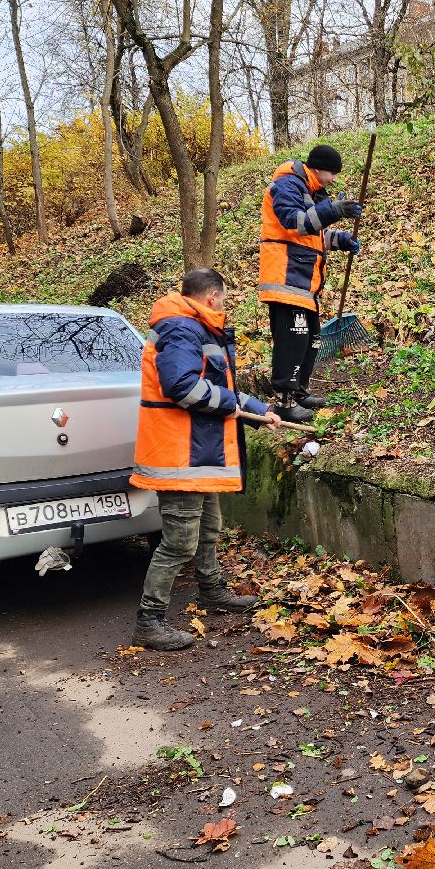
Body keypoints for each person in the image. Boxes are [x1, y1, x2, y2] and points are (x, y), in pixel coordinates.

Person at [129, 268, 283, 651]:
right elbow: (181, 386)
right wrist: (232, 405)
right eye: (224, 297)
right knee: (179, 543)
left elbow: (216, 387)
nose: (225, 304)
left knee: (210, 527)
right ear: (212, 296)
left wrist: (260, 411)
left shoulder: (196, 327)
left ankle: (212, 591)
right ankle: (149, 621)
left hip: (199, 452)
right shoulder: (182, 329)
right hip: (179, 454)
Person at [258, 143, 362, 423]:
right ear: (318, 168)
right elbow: (295, 223)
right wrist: (334, 210)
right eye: (333, 173)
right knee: (293, 342)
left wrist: (341, 240)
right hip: (285, 278)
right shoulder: (287, 185)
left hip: (305, 283)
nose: (334, 180)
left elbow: (314, 235)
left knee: (310, 340)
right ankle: (284, 403)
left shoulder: (311, 191)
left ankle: (300, 392)